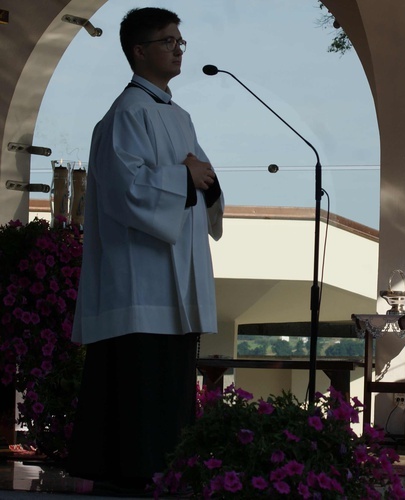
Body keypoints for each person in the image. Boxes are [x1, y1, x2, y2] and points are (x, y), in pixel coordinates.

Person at [65, 7, 224, 492]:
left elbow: (201, 178)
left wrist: (206, 183)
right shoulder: (125, 115)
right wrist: (185, 176)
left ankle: (163, 472)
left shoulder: (179, 115)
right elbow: (125, 190)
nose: (178, 48)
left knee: (168, 392)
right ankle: (129, 477)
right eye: (167, 40)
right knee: (136, 390)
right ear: (139, 51)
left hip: (176, 279)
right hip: (140, 283)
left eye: (180, 40)